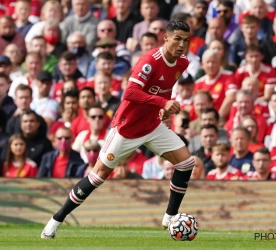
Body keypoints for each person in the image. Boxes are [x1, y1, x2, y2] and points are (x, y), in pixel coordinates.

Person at [41, 20, 195, 238]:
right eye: (177, 38)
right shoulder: (149, 61)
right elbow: (129, 92)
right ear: (166, 38)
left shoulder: (182, 63)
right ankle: (55, 220)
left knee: (186, 163)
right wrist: (162, 103)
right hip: (127, 129)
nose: (182, 44)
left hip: (152, 125)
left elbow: (166, 87)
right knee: (97, 177)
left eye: (186, 40)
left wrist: (165, 108)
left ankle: (170, 216)